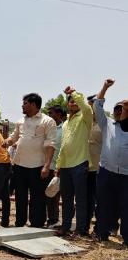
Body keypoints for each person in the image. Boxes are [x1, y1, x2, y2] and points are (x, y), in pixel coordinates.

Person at [2, 93, 56, 228]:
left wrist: (47, 165)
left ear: (33, 104)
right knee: (20, 196)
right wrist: (7, 141)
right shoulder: (21, 121)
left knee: (37, 197)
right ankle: (20, 223)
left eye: (25, 103)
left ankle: (37, 224)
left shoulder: (48, 121)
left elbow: (51, 144)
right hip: (19, 164)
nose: (22, 106)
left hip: (38, 165)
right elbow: (14, 138)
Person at [94, 79, 128, 245]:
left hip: (127, 175)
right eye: (117, 108)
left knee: (126, 207)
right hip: (107, 172)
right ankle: (102, 233)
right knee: (104, 204)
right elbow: (97, 106)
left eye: (122, 109)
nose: (119, 111)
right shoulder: (107, 123)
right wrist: (105, 87)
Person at [55, 87, 93, 237]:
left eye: (75, 101)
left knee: (81, 200)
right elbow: (63, 146)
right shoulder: (65, 123)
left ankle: (81, 230)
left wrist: (73, 93)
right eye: (70, 101)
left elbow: (86, 107)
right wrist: (58, 165)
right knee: (67, 200)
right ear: (67, 105)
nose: (73, 103)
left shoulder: (85, 116)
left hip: (79, 164)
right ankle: (65, 227)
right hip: (65, 166)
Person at [46, 105, 66, 228]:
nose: (49, 115)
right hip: (49, 166)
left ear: (58, 114)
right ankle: (52, 220)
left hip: (62, 167)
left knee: (65, 196)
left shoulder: (65, 128)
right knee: (51, 194)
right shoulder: (48, 128)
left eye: (51, 113)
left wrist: (59, 167)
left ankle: (65, 222)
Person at [86, 95, 102, 233]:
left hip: (99, 168)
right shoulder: (84, 123)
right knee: (85, 199)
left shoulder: (105, 124)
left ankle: (100, 228)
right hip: (84, 167)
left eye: (93, 105)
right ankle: (84, 226)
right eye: (89, 105)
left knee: (100, 200)